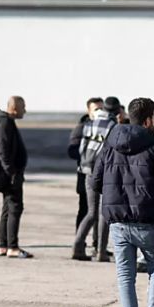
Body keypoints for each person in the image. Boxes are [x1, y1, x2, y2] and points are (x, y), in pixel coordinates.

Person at [90, 97, 154, 307]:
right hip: (150, 217)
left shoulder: (110, 143)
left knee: (125, 276)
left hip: (118, 222)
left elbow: (95, 182)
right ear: (149, 120)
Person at [0, 96, 32, 259]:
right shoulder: (4, 122)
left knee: (7, 209)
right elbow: (3, 149)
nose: (25, 110)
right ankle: (12, 247)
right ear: (14, 108)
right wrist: (11, 172)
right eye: (23, 107)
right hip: (9, 174)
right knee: (15, 208)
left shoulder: (4, 121)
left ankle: (4, 246)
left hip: (7, 172)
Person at [72, 96, 120, 262]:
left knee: (91, 212)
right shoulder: (113, 126)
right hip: (105, 173)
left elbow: (81, 148)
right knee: (104, 212)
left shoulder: (89, 124)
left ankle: (78, 247)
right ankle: (101, 251)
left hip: (87, 170)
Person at [68, 97, 104, 246]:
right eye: (96, 109)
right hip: (85, 174)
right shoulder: (82, 127)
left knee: (100, 211)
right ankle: (80, 242)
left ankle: (97, 243)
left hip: (100, 175)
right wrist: (88, 155)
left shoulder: (105, 127)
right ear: (88, 111)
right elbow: (72, 150)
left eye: (102, 109)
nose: (100, 112)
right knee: (85, 210)